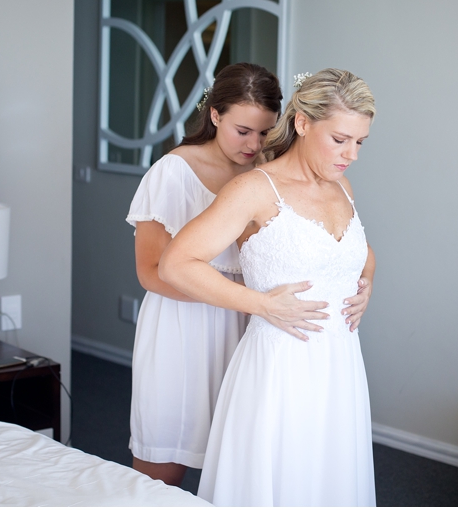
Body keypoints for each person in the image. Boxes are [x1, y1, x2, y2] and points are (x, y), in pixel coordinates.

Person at [160, 68, 377, 506]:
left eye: (360, 142)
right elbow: (175, 264)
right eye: (339, 139)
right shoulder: (254, 190)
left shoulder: (343, 187)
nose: (351, 154)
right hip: (280, 367)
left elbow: (360, 254)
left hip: (340, 367)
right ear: (302, 123)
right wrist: (259, 303)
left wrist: (366, 283)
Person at [126, 63, 304, 486]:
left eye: (264, 132)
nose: (253, 143)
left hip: (248, 328)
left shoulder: (265, 175)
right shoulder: (173, 172)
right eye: (243, 130)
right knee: (164, 465)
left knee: (240, 461)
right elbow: (150, 272)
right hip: (183, 328)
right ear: (215, 115)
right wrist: (234, 296)